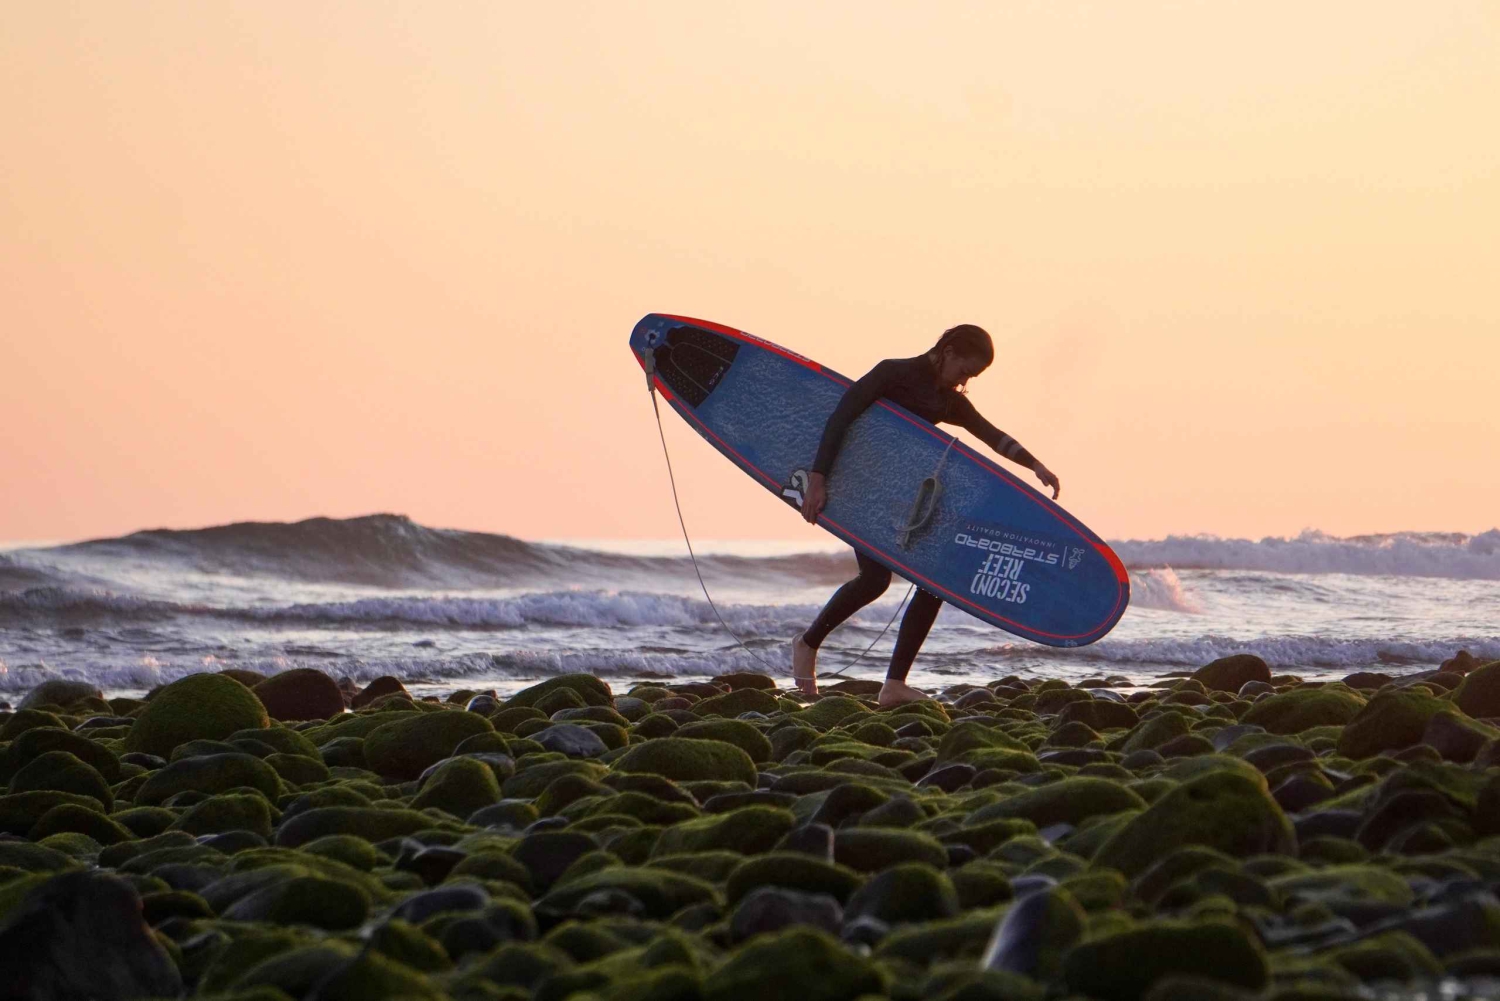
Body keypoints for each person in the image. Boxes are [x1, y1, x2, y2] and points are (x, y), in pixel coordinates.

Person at [792, 324, 1061, 706]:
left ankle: (894, 684)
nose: (965, 380)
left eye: (973, 376)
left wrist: (1034, 464)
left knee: (932, 582)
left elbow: (990, 433)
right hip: (856, 485)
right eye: (965, 370)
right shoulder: (893, 373)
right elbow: (841, 416)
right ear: (947, 351)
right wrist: (818, 479)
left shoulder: (947, 400)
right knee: (874, 580)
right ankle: (806, 644)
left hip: (898, 495)